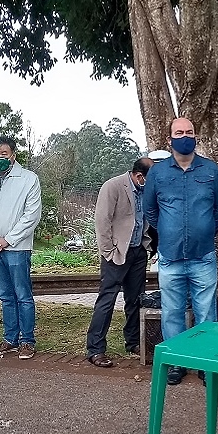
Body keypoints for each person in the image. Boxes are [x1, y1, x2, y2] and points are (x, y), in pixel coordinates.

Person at [143, 117, 218, 385]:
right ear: (169, 139)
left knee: (206, 312)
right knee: (172, 312)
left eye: (189, 132)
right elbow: (150, 211)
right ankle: (177, 362)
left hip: (203, 256)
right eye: (179, 132)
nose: (185, 136)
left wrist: (202, 230)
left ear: (196, 136)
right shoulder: (158, 174)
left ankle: (205, 363)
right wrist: (170, 232)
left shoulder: (211, 171)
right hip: (170, 257)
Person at [0, 136, 43, 360]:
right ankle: (9, 338)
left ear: (13, 154)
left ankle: (27, 341)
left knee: (23, 295)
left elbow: (31, 215)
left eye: (3, 154)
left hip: (18, 248)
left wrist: (9, 239)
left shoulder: (28, 179)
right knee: (5, 296)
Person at [85, 157, 154, 368]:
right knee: (107, 300)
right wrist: (108, 252)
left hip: (138, 251)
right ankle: (95, 349)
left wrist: (147, 246)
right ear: (139, 176)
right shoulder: (113, 186)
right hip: (116, 253)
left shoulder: (145, 191)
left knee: (135, 300)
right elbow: (102, 221)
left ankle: (133, 342)